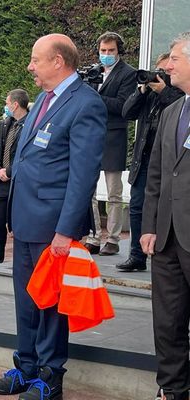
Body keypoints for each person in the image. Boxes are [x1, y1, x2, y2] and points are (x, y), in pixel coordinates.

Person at [0, 34, 107, 400]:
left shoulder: (86, 104)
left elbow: (83, 175)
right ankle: (25, 366)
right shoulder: (43, 99)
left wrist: (64, 230)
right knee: (26, 298)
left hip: (53, 226)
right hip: (25, 220)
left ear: (58, 61)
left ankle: (49, 375)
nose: (30, 66)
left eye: (35, 60)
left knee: (51, 303)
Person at [140, 31, 190, 400]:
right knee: (168, 320)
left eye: (174, 58)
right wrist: (149, 226)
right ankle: (172, 389)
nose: (166, 66)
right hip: (168, 236)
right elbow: (156, 174)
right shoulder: (172, 110)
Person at [117, 53, 184, 272]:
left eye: (163, 72)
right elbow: (127, 112)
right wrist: (141, 90)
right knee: (137, 207)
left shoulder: (178, 95)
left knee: (163, 206)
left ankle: (161, 250)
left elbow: (176, 106)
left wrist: (163, 90)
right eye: (157, 71)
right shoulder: (148, 94)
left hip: (168, 160)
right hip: (143, 158)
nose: (159, 76)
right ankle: (136, 255)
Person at [85, 32, 136, 256]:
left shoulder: (129, 73)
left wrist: (94, 96)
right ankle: (94, 235)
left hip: (114, 136)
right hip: (91, 136)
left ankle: (113, 238)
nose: (106, 55)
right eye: (103, 51)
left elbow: (123, 106)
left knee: (114, 192)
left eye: (111, 51)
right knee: (89, 191)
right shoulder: (93, 72)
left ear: (119, 51)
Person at [0, 89, 29, 265]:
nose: (5, 107)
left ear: (15, 104)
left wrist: (10, 171)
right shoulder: (6, 124)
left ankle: (22, 260)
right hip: (3, 183)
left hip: (20, 183)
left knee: (20, 225)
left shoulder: (30, 125)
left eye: (7, 103)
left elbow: (27, 154)